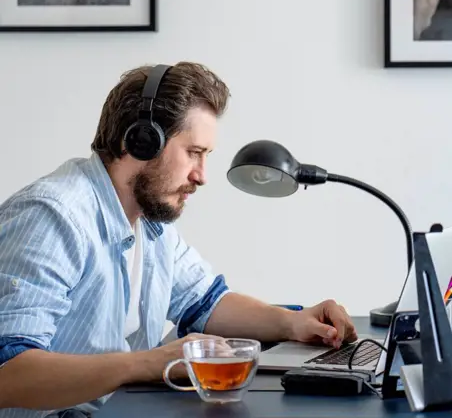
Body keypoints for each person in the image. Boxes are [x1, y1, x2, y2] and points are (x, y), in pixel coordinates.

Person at [0, 62, 357, 417]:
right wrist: (148, 363)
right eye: (194, 153)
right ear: (141, 141)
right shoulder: (52, 217)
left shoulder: (150, 221)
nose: (201, 176)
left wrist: (292, 322)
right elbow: (9, 374)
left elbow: (205, 302)